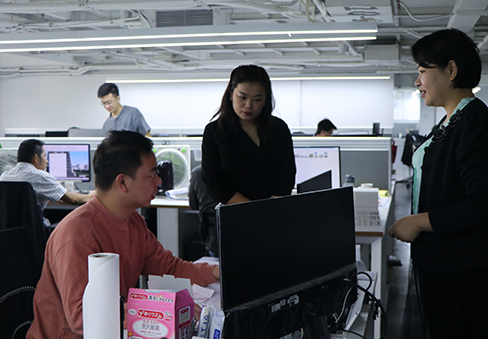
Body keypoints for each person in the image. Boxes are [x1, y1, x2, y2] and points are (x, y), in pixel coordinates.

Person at [26, 131, 219, 339]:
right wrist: (165, 311)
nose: (159, 181)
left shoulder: (133, 221)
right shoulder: (76, 235)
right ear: (123, 182)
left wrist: (218, 272)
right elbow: (82, 317)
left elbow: (170, 268)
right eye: (151, 175)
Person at [387, 29, 488, 339]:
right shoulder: (450, 120)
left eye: (422, 71)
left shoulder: (474, 122)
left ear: (451, 70)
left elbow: (484, 206)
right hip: (444, 261)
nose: (417, 82)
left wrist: (417, 222)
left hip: (462, 268)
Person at [201, 64, 296, 205]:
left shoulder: (278, 128)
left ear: (266, 100)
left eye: (257, 99)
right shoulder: (215, 131)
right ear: (231, 95)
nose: (248, 105)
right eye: (242, 97)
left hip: (273, 209)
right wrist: (251, 209)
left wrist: (272, 206)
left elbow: (287, 173)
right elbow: (212, 180)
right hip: (234, 210)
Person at [0, 139, 94, 225]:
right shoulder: (40, 176)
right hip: (36, 231)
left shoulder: (4, 176)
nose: (47, 161)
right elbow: (74, 199)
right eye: (44, 156)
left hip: (8, 232)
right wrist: (92, 195)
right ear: (36, 158)